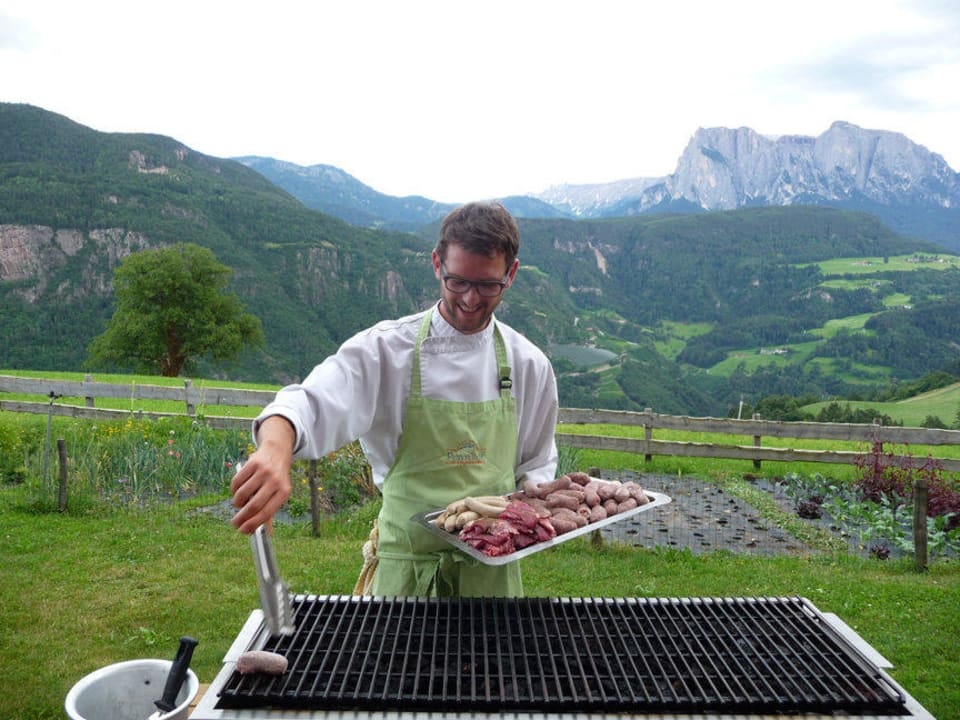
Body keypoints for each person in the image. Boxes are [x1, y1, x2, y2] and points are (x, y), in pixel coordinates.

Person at [230, 201, 559, 597]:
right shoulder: (387, 351)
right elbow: (311, 402)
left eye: (488, 285)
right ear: (437, 264)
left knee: (494, 663)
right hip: (405, 577)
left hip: (493, 579)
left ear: (512, 274)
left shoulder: (529, 364)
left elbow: (538, 463)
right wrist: (275, 446)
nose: (471, 299)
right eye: (458, 281)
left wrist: (535, 513)